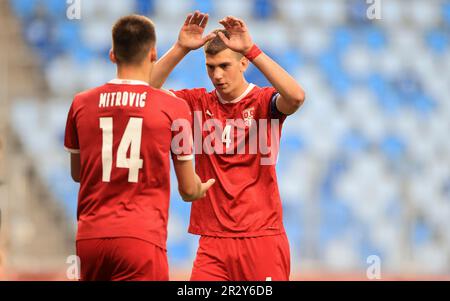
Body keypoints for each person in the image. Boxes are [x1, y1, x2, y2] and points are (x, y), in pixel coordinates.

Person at [150, 12, 306, 281]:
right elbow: (143, 92)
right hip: (212, 242)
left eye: (224, 65)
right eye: (211, 67)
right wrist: (180, 49)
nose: (217, 75)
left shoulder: (263, 101)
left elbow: (295, 96)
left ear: (244, 62)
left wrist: (252, 48)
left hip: (261, 237)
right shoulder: (196, 103)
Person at [64, 15, 215, 281]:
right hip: (141, 238)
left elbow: (78, 174)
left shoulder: (81, 103)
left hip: (89, 239)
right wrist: (199, 188)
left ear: (112, 54)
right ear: (153, 52)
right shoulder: (173, 108)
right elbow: (188, 190)